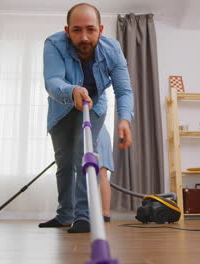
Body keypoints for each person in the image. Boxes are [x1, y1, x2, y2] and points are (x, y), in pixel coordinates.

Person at [39, 3, 134, 233]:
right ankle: (64, 215)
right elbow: (52, 80)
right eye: (77, 30)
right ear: (67, 30)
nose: (84, 37)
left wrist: (124, 119)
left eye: (90, 30)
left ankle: (83, 216)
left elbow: (124, 90)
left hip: (94, 107)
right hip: (62, 106)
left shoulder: (112, 50)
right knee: (64, 163)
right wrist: (72, 91)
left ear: (100, 30)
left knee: (84, 156)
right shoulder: (53, 44)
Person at [96, 125, 113, 222]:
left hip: (96, 135)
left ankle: (105, 213)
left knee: (102, 174)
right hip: (102, 134)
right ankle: (105, 214)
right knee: (103, 175)